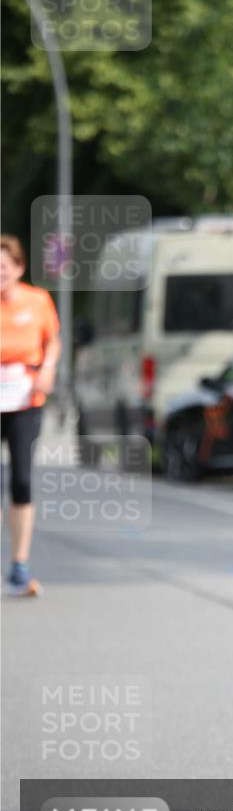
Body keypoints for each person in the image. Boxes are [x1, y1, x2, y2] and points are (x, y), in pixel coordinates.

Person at [1, 235, 61, 596]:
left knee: (21, 480)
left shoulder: (37, 300)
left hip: (25, 399)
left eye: (4, 267)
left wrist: (48, 367)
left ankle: (19, 565)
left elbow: (52, 339)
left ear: (19, 268)